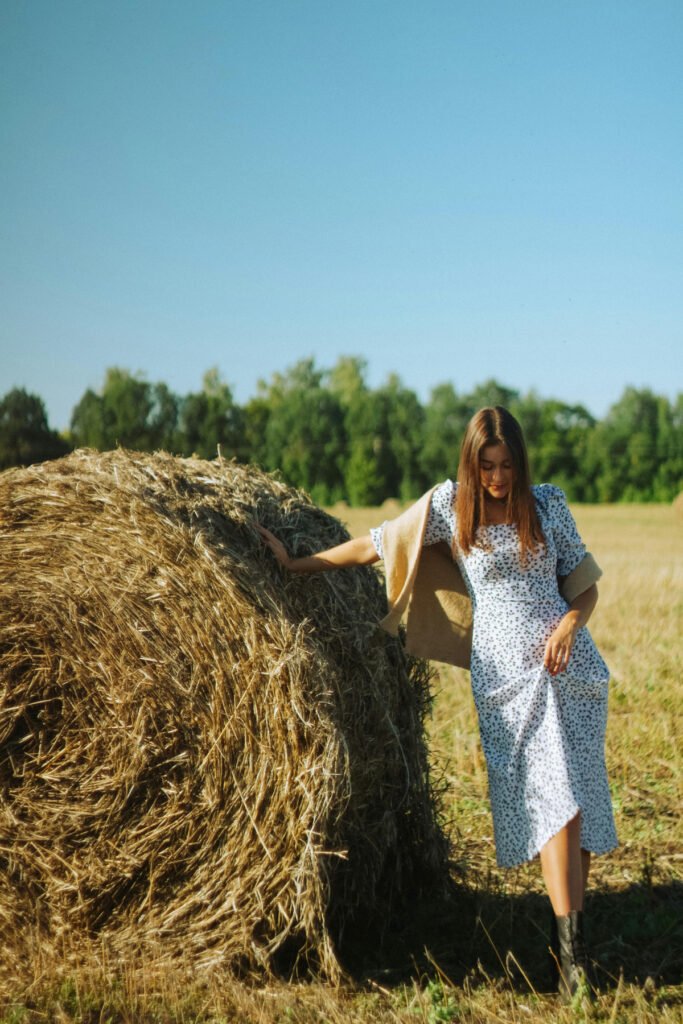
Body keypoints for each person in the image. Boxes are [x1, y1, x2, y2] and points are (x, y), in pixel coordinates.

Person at [258, 405, 617, 1001]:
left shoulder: (548, 504)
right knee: (553, 800)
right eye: (487, 465)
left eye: (506, 465)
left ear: (520, 462)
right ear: (471, 463)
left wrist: (568, 628)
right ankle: (573, 964)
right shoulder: (452, 508)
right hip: (506, 676)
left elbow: (585, 588)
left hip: (568, 665)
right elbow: (379, 544)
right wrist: (299, 566)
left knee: (576, 804)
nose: (498, 477)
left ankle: (569, 952)